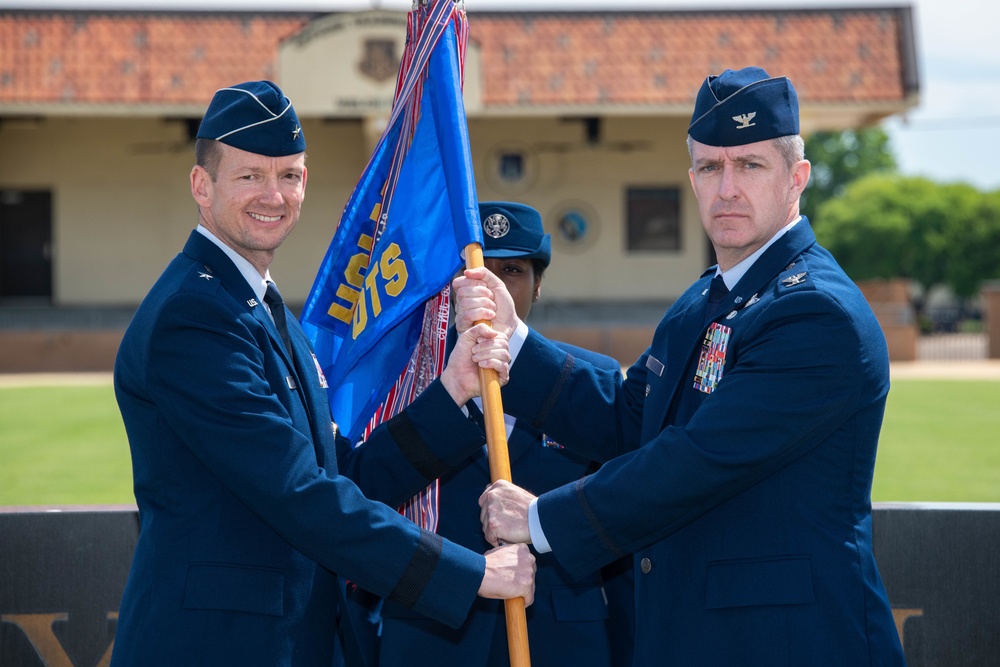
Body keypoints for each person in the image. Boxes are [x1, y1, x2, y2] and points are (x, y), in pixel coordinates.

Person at [458, 67, 907, 666]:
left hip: (793, 641)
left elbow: (696, 461)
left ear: (796, 177)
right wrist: (515, 342)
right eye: (709, 167)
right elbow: (627, 421)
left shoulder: (814, 313)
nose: (727, 188)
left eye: (750, 165)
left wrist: (541, 519)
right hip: (700, 633)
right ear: (691, 179)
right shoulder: (703, 300)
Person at [110, 80, 535, 667]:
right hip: (218, 645)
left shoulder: (260, 307)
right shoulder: (196, 318)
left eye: (289, 175)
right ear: (201, 186)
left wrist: (453, 389)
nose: (273, 194)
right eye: (250, 176)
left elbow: (344, 472)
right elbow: (297, 493)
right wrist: (471, 574)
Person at [374, 202, 634, 667]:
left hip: (560, 638)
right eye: (476, 272)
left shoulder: (588, 380)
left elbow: (618, 524)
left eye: (511, 270)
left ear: (538, 286)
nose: (491, 288)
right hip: (432, 635)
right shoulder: (406, 385)